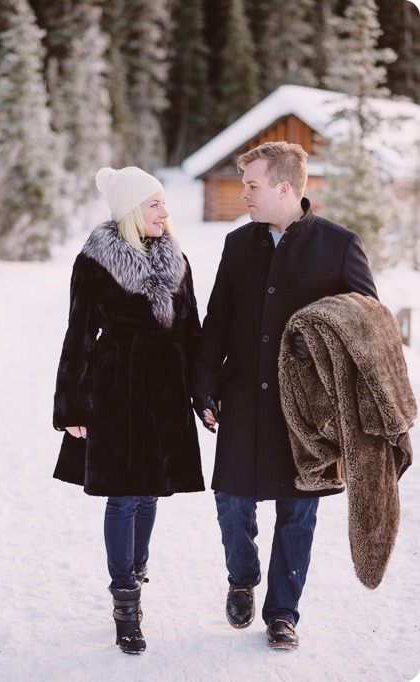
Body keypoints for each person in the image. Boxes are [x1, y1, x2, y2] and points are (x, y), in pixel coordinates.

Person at [192, 141, 377, 649]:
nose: (244, 194)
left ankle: (283, 612)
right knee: (231, 498)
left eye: (252, 185)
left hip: (309, 409)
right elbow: (218, 320)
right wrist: (204, 383)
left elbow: (368, 322)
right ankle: (242, 577)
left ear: (284, 187)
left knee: (299, 510)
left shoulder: (339, 245)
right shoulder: (237, 244)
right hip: (243, 395)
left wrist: (320, 340)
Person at [52, 166, 205, 655]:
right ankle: (126, 601)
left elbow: (192, 333)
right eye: (155, 204)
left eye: (164, 202)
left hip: (164, 389)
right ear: (131, 212)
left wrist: (203, 394)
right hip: (115, 386)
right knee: (122, 496)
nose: (166, 211)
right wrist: (72, 403)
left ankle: (136, 568)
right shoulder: (94, 262)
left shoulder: (177, 258)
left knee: (150, 493)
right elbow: (77, 333)